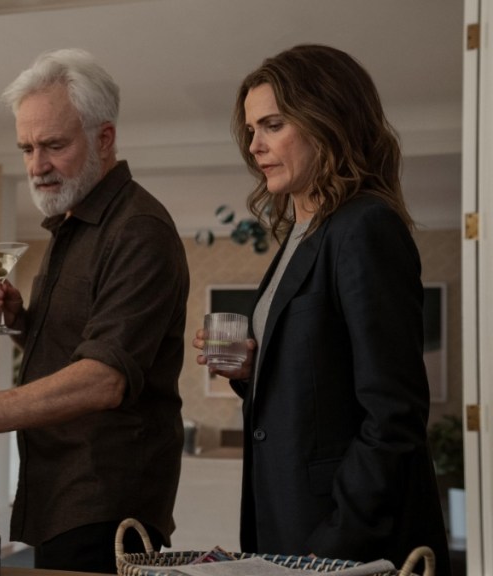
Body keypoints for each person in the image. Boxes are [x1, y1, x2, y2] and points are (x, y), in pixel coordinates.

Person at [0, 48, 189, 573]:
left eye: (53, 145)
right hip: (58, 493)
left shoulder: (138, 230)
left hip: (105, 502)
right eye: (25, 148)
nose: (36, 166)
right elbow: (81, 346)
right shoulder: (74, 224)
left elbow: (104, 379)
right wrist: (25, 323)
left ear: (104, 139)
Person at [193, 44, 450, 572]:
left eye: (272, 125)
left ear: (326, 122)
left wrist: (331, 545)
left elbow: (394, 415)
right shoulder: (299, 236)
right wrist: (251, 369)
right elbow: (320, 379)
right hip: (288, 522)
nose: (254, 145)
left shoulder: (364, 228)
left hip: (343, 541)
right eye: (250, 129)